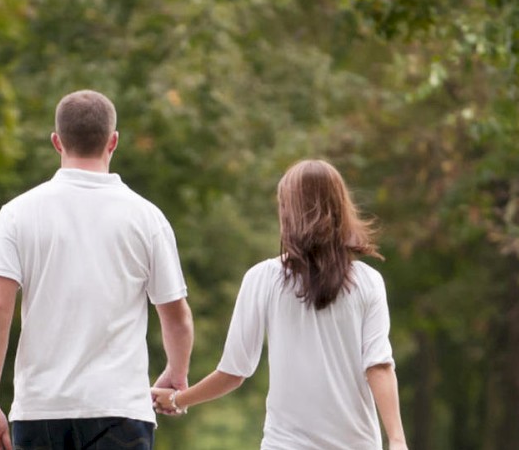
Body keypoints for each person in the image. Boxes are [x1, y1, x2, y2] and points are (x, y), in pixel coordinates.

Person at [0, 90, 195, 450]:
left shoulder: (17, 213)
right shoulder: (146, 218)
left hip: (40, 410)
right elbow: (176, 317)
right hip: (120, 409)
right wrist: (177, 371)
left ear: (56, 142)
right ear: (114, 141)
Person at [151, 159, 408, 450]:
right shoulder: (368, 281)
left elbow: (234, 372)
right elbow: (378, 365)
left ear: (288, 211)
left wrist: (177, 399)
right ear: (340, 208)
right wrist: (397, 439)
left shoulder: (262, 279)